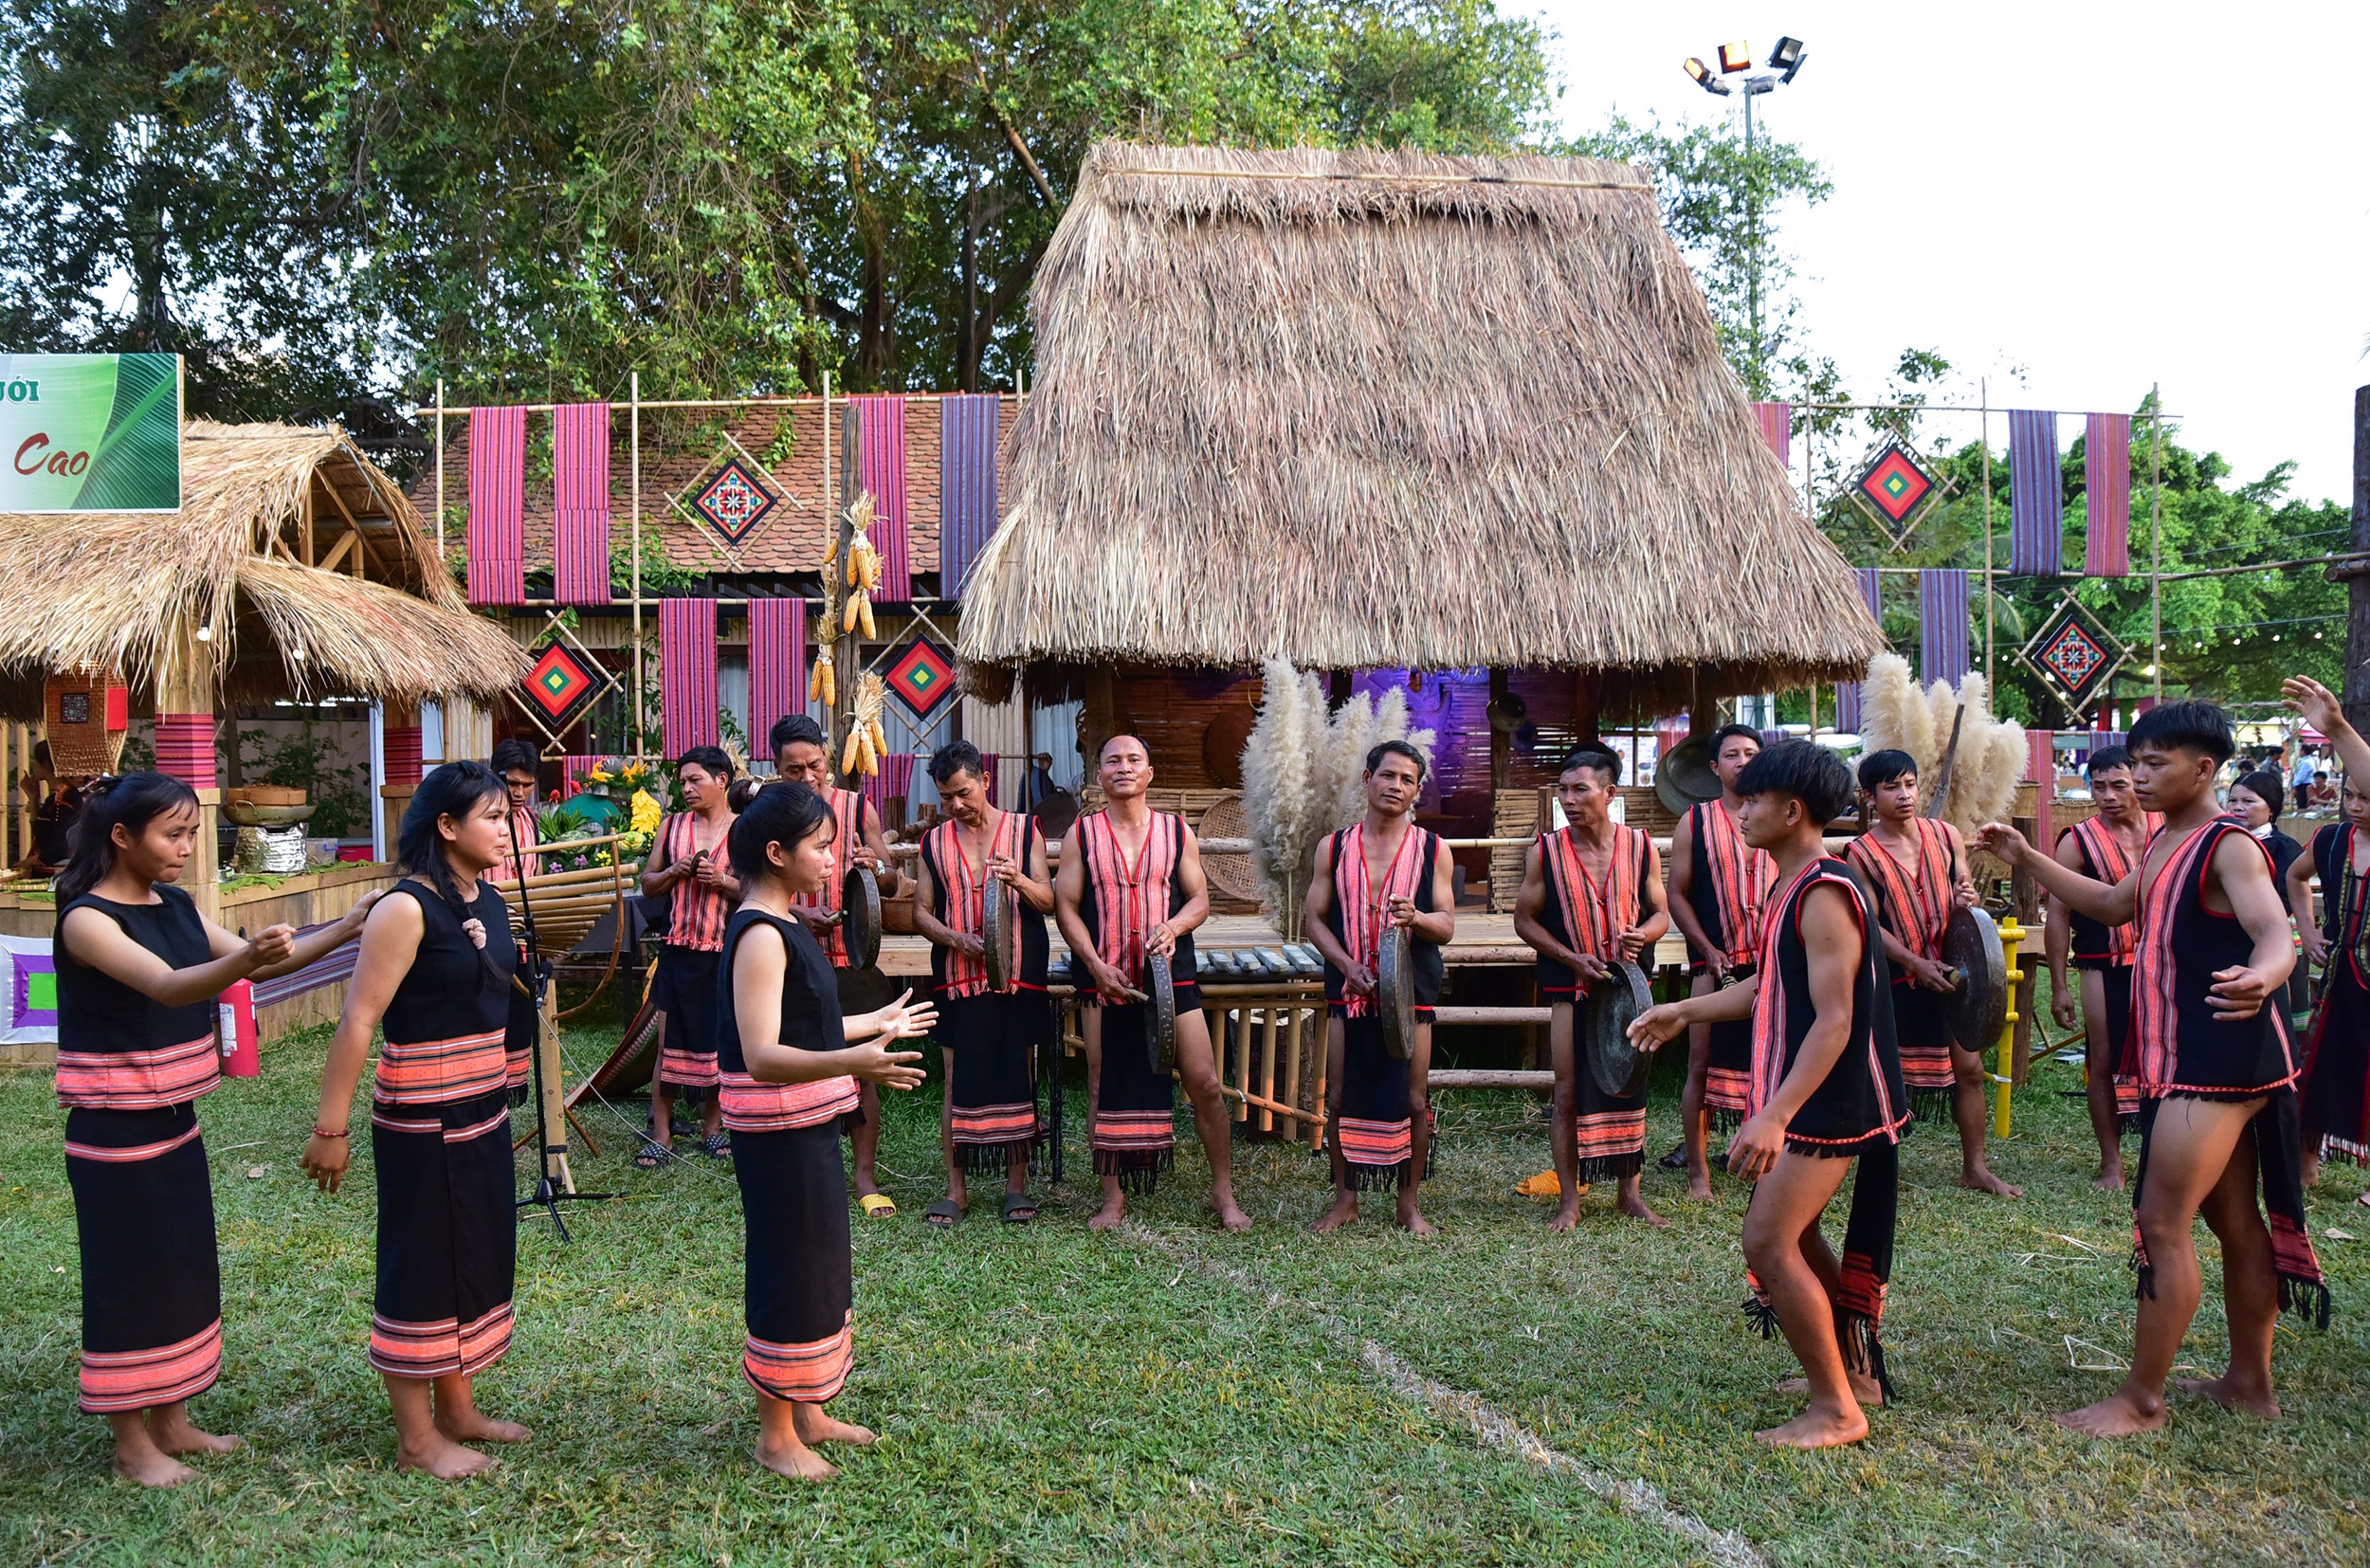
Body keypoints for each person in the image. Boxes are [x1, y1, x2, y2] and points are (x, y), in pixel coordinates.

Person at [1978, 697, 2323, 1438]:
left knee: (2160, 1221)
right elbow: (2108, 903)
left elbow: (2273, 930)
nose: (2136, 776)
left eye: (2153, 764)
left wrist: (2267, 973)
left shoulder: (2228, 845)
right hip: (2197, 1059)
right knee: (2234, 1220)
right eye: (2134, 762)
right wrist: (2025, 856)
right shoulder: (2167, 842)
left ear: (2203, 769)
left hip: (2219, 1061)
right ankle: (2249, 1383)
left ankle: (2141, 1400)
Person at [54, 773, 374, 1486]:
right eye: (174, 834)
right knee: (129, 1278)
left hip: (175, 1121)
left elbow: (268, 963)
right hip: (114, 1132)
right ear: (121, 837)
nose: (187, 848)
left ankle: (172, 1422)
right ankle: (131, 1444)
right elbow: (170, 984)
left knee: (181, 1269)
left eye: (193, 833)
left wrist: (351, 925)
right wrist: (244, 959)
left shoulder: (173, 903)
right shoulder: (86, 920)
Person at [1627, 740, 1908, 1449]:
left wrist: (1775, 1114)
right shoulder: (1793, 884)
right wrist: (1683, 1011)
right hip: (1813, 1092)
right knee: (1798, 1234)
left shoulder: (1823, 892)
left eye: (1752, 799)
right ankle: (1856, 1370)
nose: (1739, 809)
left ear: (1791, 810)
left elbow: (1837, 1019)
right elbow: (1772, 988)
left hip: (1829, 1098)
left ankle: (1838, 1409)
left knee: (1767, 1240)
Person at [301, 762, 534, 1478]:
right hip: (422, 1119)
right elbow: (359, 1019)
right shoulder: (405, 909)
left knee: (475, 1252)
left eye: (505, 815)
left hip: (481, 1108)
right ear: (446, 826)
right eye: (492, 816)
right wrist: (329, 1129)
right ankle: (416, 1438)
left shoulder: (487, 901)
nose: (506, 827)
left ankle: (457, 1409)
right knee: (425, 1263)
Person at [716, 780, 933, 1478]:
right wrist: (858, 1063)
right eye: (821, 846)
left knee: (819, 1267)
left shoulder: (786, 922)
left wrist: (877, 1024)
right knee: (789, 1270)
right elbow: (761, 1054)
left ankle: (807, 1410)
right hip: (776, 1135)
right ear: (776, 853)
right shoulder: (757, 934)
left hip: (804, 1126)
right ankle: (776, 1435)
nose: (834, 858)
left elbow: (802, 1029)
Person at [1055, 734, 1249, 1232]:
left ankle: (1223, 1194)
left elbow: (1199, 900)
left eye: (1133, 759)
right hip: (1105, 976)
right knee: (1101, 1083)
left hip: (1169, 974)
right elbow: (1066, 907)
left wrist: (1175, 926)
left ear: (1149, 773)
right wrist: (1095, 964)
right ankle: (1113, 1199)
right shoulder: (1083, 833)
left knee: (1205, 1082)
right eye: (1112, 760)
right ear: (1099, 775)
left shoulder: (1175, 830)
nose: (1123, 767)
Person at [1844, 751, 2014, 1197]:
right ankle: (1875, 1167)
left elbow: (1962, 891)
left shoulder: (1946, 835)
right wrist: (1914, 962)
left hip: (1956, 970)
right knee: (1879, 1073)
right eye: (1891, 788)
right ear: (1869, 797)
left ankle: (1974, 1166)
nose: (1904, 795)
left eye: (1910, 785)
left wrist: (1968, 897)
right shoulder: (1860, 854)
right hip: (1898, 977)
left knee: (1971, 1070)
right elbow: (1869, 926)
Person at [1513, 744, 1669, 1230]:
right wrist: (1568, 957)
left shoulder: (1641, 846)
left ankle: (1630, 1193)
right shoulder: (1545, 851)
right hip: (1570, 989)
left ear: (1609, 792)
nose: (1568, 799)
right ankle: (1569, 1201)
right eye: (1563, 789)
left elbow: (1661, 913)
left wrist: (1645, 933)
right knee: (1567, 1091)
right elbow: (1524, 921)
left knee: (1632, 1083)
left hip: (1627, 987)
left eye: (1580, 789)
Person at [1304, 740, 1456, 1234]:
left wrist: (1418, 918)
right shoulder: (1335, 845)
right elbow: (1314, 920)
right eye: (1387, 775)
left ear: (1417, 791)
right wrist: (1346, 964)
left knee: (1413, 1099)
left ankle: (1407, 1204)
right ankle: (1344, 1200)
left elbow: (1447, 925)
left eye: (1407, 780)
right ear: (1367, 778)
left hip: (1411, 992)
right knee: (1340, 1097)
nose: (1396, 786)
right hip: (1348, 990)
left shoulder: (1434, 850)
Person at [911, 739, 1054, 1226]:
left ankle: (1016, 1188)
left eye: (963, 793)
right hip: (957, 976)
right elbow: (920, 913)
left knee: (1019, 1073)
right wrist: (953, 938)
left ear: (985, 782)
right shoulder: (933, 842)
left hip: (1018, 973)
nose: (955, 806)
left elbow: (1048, 901)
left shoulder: (1023, 830)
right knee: (957, 1079)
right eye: (946, 797)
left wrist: (1019, 880)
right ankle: (957, 1190)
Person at [773, 714, 908, 1218]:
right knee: (794, 1067)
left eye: (815, 766)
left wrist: (876, 868)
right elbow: (750, 884)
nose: (808, 778)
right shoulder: (770, 813)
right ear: (776, 766)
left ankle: (865, 1175)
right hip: (789, 957)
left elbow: (894, 880)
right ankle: (803, 1172)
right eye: (794, 770)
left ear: (828, 758)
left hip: (852, 960)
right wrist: (798, 913)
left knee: (863, 1069)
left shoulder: (856, 807)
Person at [1661, 724, 1778, 1199]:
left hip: (1772, 966)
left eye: (1752, 752)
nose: (1743, 761)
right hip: (1714, 967)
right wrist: (1706, 948)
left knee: (1774, 1065)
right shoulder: (1697, 820)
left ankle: (1768, 1163)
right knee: (1700, 1067)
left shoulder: (1777, 816)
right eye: (1732, 754)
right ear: (1714, 767)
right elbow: (1677, 894)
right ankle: (1698, 1174)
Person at [2046, 747, 2157, 1190]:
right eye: (2098, 787)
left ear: (2138, 783)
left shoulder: (2166, 828)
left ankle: (2161, 1155)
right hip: (2101, 963)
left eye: (2119, 785)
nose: (2107, 796)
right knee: (2103, 1058)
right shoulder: (2077, 840)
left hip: (2162, 962)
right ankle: (2112, 1162)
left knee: (2165, 1056)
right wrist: (2058, 986)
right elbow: (2058, 914)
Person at [638, 747, 741, 1165]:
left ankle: (712, 1129)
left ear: (722, 781)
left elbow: (753, 890)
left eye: (694, 779)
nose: (686, 788)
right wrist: (673, 872)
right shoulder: (672, 825)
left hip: (722, 950)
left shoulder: (743, 830)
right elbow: (647, 884)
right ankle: (661, 1132)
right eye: (682, 782)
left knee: (718, 1040)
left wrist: (721, 880)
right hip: (678, 948)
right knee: (668, 1043)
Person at [2290, 768, 2370, 1192]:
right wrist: (2307, 928)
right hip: (2339, 977)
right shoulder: (2332, 839)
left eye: (2366, 798)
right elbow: (2295, 876)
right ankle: (2306, 1166)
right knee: (2320, 1067)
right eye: (2350, 796)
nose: (2356, 807)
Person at [488, 737, 544, 1099]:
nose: (521, 791)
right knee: (486, 1017)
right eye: (513, 783)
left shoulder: (532, 824)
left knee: (518, 1019)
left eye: (527, 784)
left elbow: (535, 883)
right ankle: (483, 1089)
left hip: (521, 938)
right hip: (484, 934)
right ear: (496, 777)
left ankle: (512, 1089)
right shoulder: (477, 820)